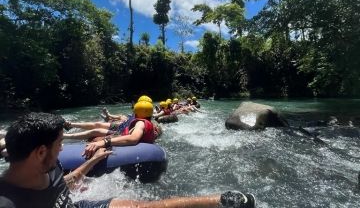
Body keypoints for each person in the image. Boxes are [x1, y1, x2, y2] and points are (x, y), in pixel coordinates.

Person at [0, 112, 256, 208]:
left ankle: (219, 201)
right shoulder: (8, 202)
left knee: (138, 207)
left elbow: (62, 183)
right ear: (40, 152)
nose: (63, 148)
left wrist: (94, 159)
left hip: (77, 206)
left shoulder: (50, 165)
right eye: (59, 144)